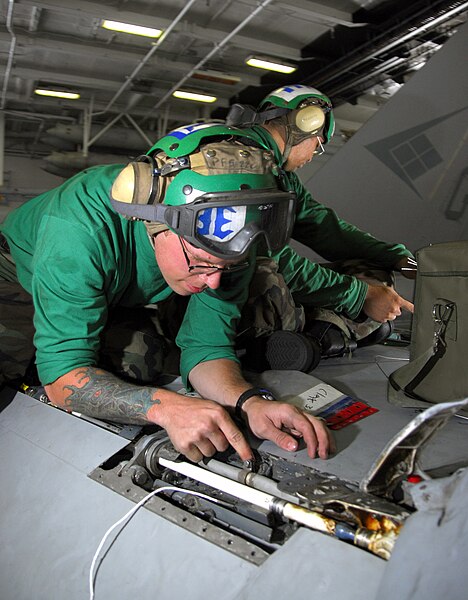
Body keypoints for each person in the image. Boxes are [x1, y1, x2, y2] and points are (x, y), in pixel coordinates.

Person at [0, 123, 335, 464]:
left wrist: (249, 402)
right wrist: (166, 407)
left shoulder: (229, 247)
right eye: (201, 264)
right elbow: (62, 378)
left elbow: (208, 348)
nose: (214, 283)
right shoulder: (77, 229)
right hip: (16, 277)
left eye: (227, 267)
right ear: (155, 222)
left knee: (140, 362)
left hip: (114, 289)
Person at [226, 83, 415, 369]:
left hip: (239, 286)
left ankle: (319, 335)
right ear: (305, 126)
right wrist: (360, 295)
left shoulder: (276, 172)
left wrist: (395, 257)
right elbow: (266, 259)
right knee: (267, 278)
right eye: (318, 143)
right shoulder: (246, 169)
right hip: (217, 289)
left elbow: (325, 229)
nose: (315, 153)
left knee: (370, 269)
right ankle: (300, 338)